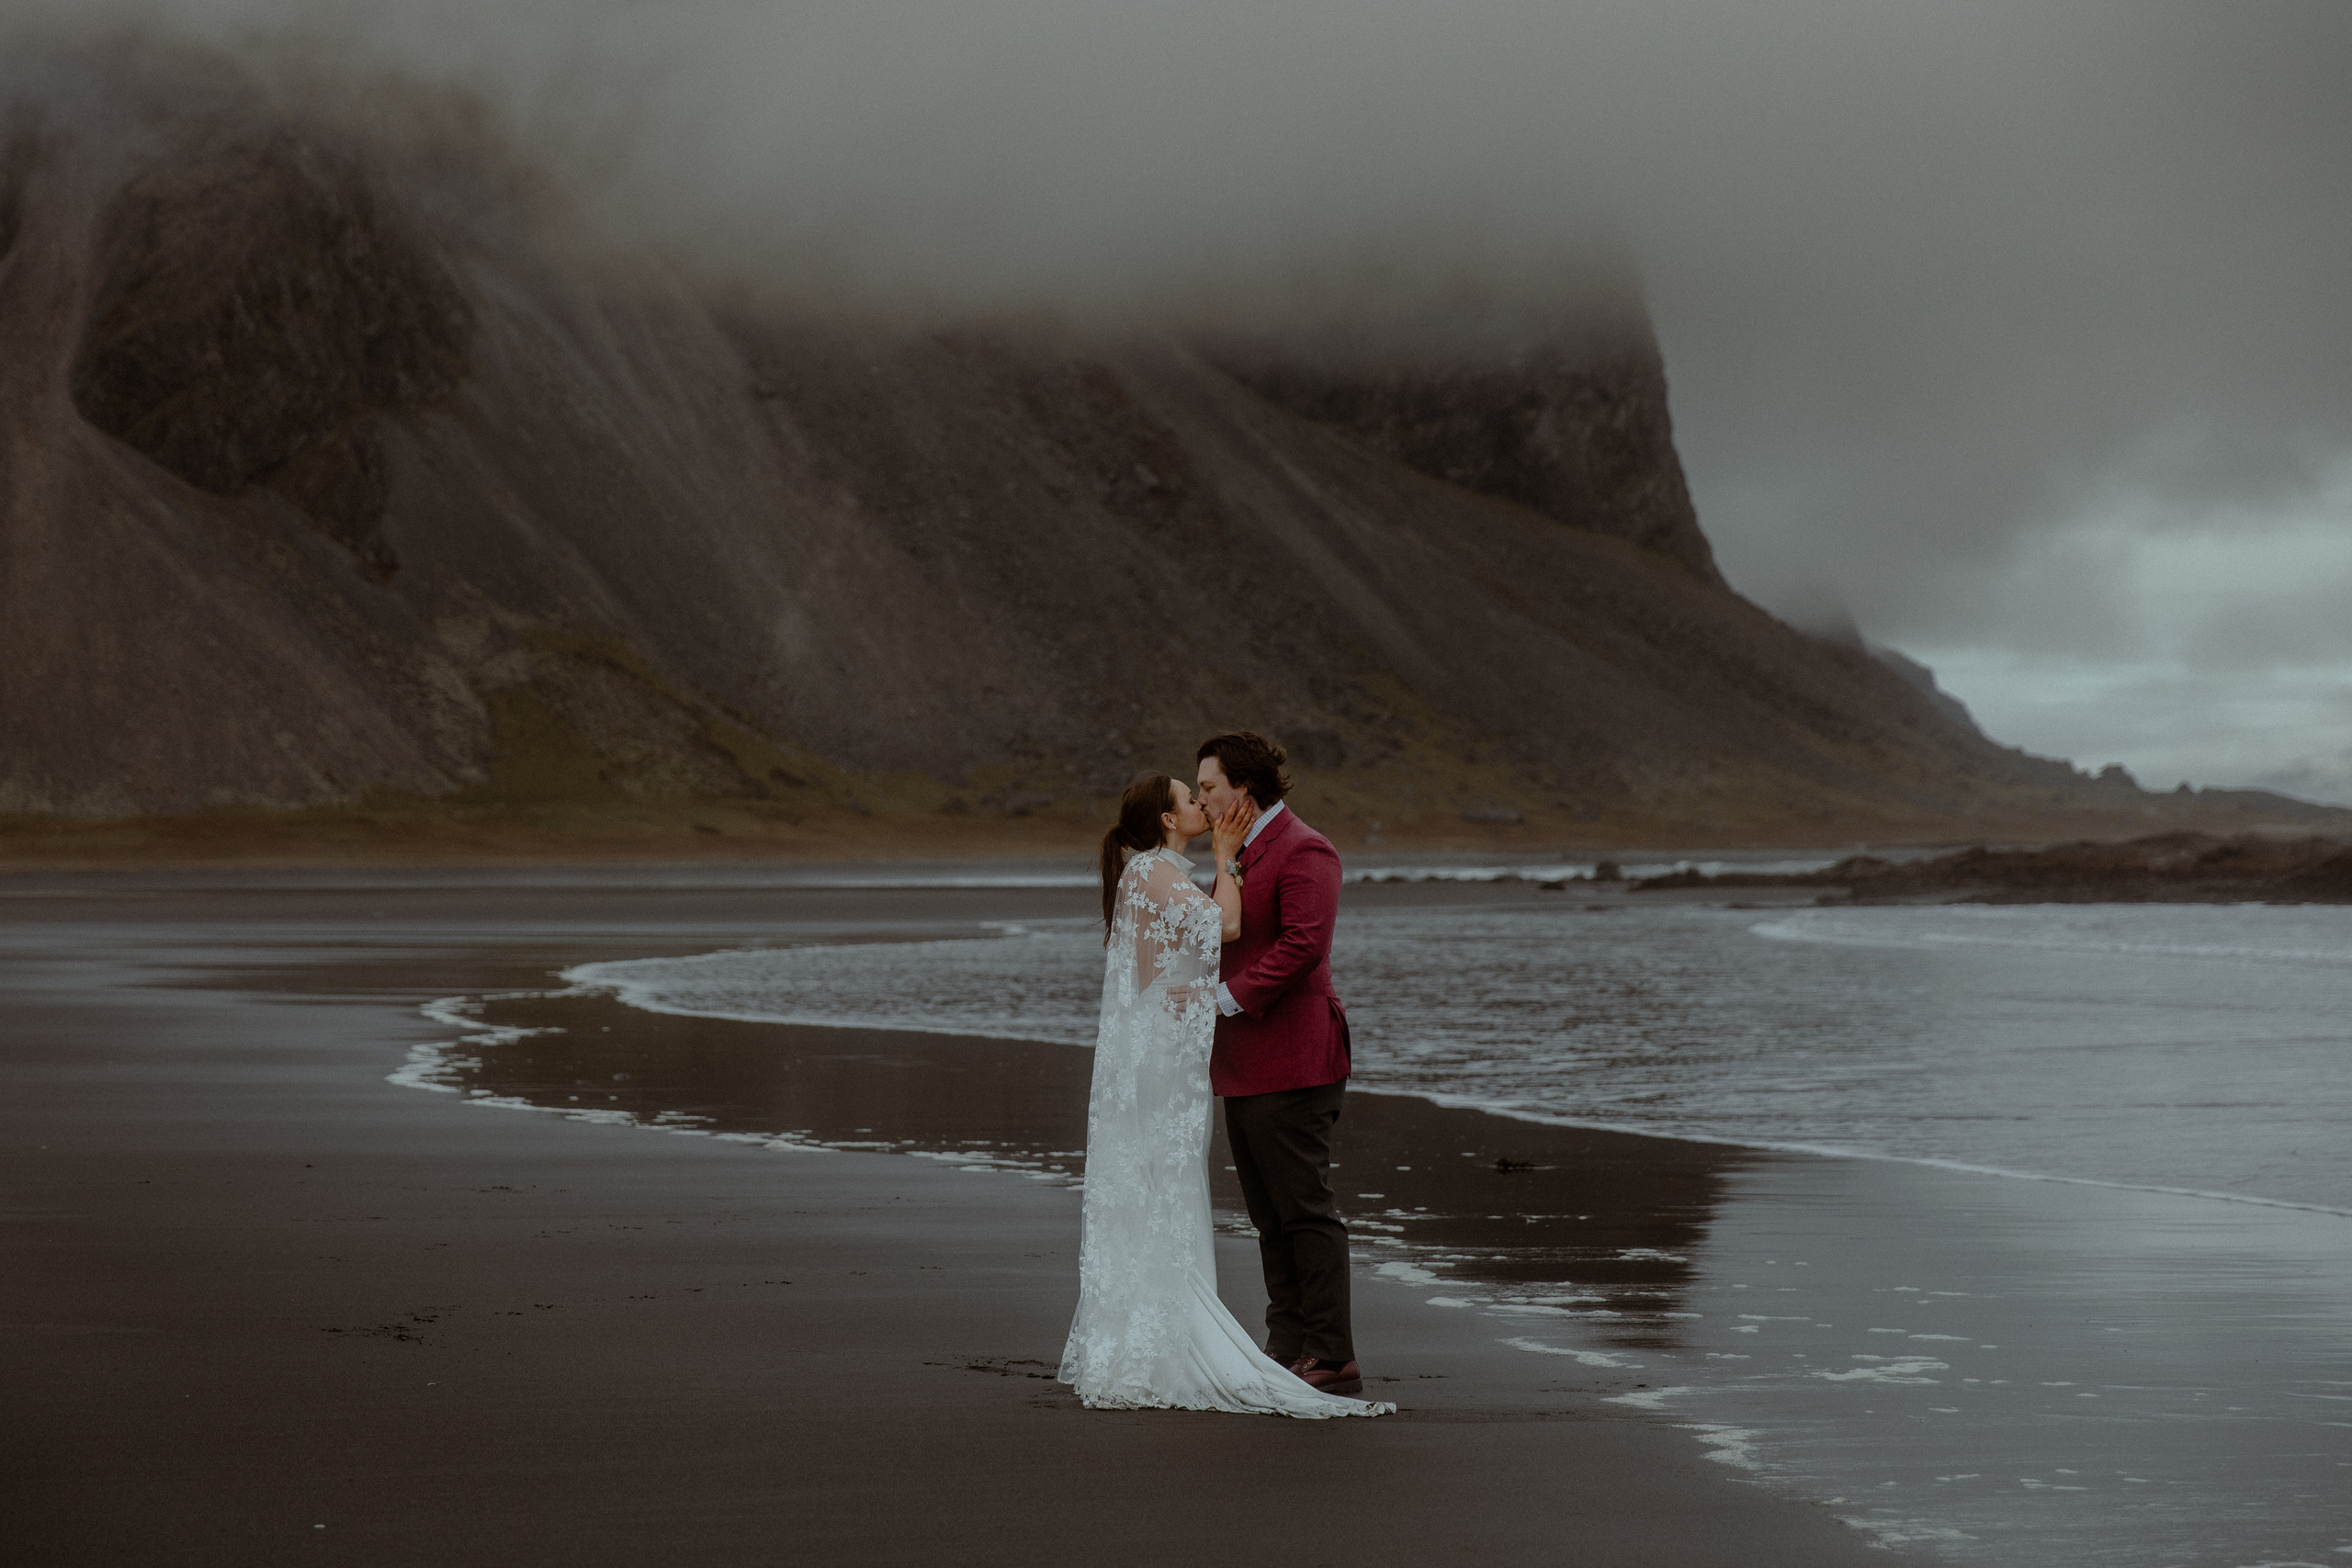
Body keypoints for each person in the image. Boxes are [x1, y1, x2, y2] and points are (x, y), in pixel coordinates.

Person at [1057, 771, 1392, 1418]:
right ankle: (1169, 1337)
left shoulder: (1155, 871)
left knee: (1174, 1189)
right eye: (1191, 797)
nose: (1202, 805)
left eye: (1205, 788)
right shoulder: (1155, 872)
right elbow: (1227, 927)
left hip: (1179, 1053)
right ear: (1164, 818)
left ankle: (1186, 1332)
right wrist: (1225, 861)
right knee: (1169, 1189)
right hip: (1167, 1056)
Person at [1193, 731, 1363, 1395]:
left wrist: (1225, 998)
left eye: (1208, 785)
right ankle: (1287, 1340)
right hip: (1244, 1062)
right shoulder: (1236, 850)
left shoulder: (1306, 847)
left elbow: (1303, 947)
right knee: (1268, 1213)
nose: (1202, 796)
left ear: (1243, 787)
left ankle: (1332, 1351)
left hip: (1298, 1059)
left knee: (1305, 1210)